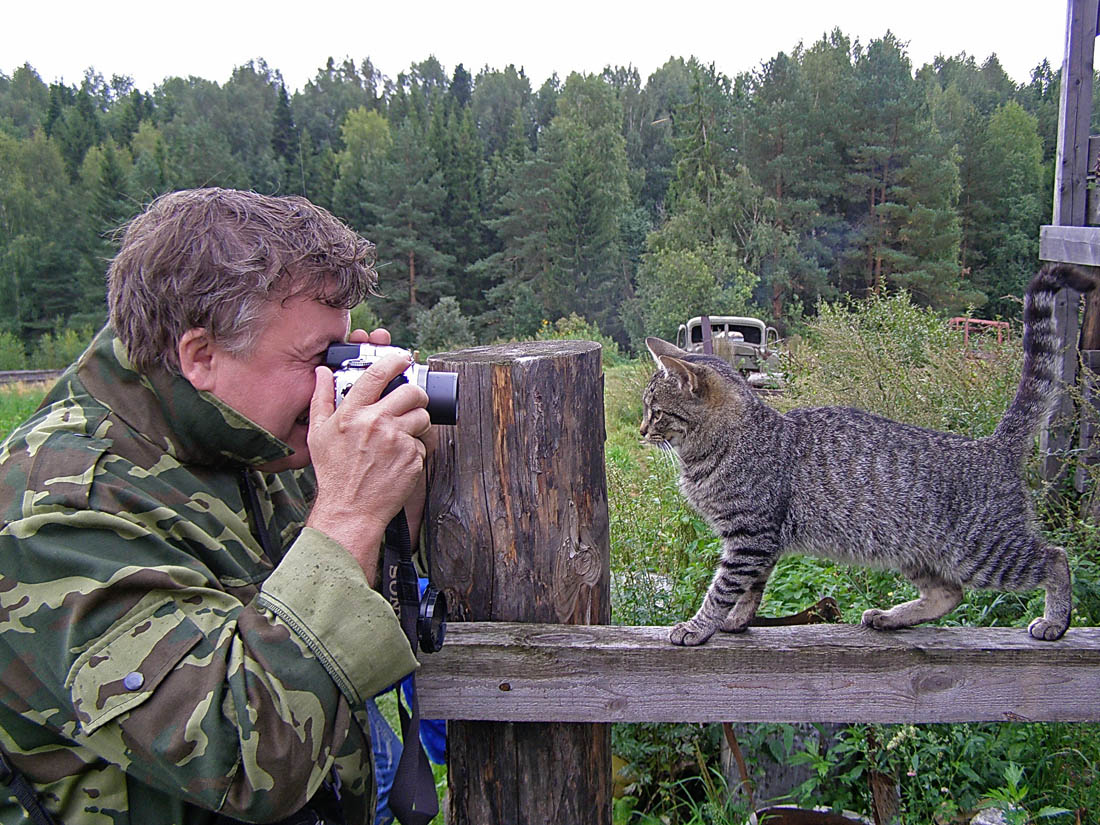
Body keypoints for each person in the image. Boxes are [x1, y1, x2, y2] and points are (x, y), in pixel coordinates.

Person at [0, 188, 435, 824]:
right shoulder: (57, 508)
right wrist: (348, 514)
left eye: (342, 354)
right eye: (317, 358)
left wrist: (395, 499)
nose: (332, 382)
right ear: (201, 355)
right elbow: (239, 757)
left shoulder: (247, 437)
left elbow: (354, 610)